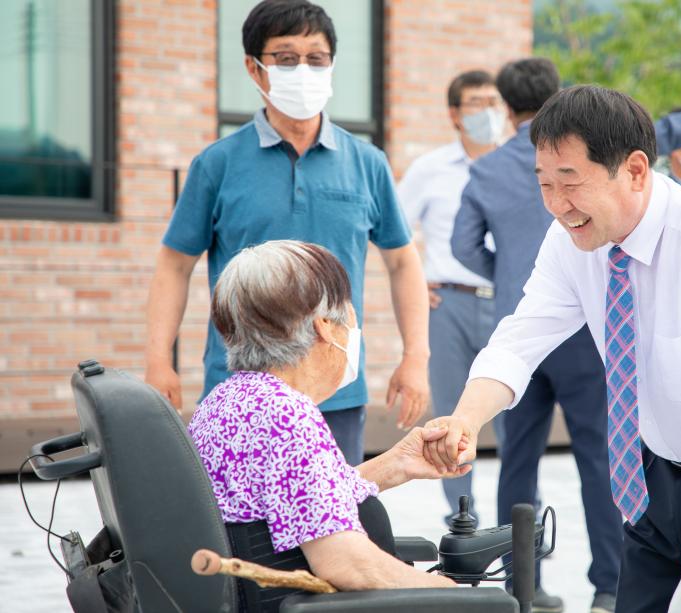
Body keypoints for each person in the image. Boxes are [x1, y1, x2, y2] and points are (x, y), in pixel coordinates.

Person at [428, 85, 681, 613]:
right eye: (545, 184)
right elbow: (520, 338)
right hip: (660, 472)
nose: (557, 205)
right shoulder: (571, 239)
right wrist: (465, 418)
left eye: (570, 182)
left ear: (636, 170)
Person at [145, 0, 429, 465]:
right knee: (241, 530)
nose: (303, 69)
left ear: (332, 66)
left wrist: (416, 356)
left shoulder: (367, 164)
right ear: (254, 69)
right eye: (285, 57)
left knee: (337, 520)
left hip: (336, 388)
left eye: (316, 58)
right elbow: (174, 265)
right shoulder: (217, 164)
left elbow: (402, 262)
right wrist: (159, 359)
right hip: (241, 391)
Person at [189, 240, 465, 611]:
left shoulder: (227, 401)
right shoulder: (286, 415)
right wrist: (455, 594)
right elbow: (348, 564)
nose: (354, 329)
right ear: (325, 328)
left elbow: (293, 498)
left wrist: (396, 463)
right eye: (350, 316)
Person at [397, 69, 505, 525]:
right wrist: (416, 283)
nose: (488, 111)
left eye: (493, 102)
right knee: (451, 419)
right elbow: (393, 234)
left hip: (509, 305)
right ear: (454, 115)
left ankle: (522, 526)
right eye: (476, 103)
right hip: (450, 307)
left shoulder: (519, 164)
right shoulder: (430, 169)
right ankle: (464, 523)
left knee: (518, 421)